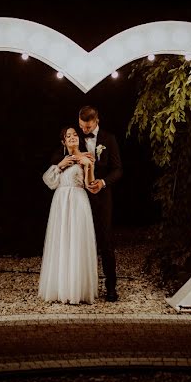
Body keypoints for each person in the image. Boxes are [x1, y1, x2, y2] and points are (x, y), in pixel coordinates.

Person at [38, 127, 99, 304]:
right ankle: (60, 287)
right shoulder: (61, 159)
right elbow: (49, 181)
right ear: (63, 142)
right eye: (68, 136)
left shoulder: (87, 157)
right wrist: (60, 166)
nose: (72, 137)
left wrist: (88, 167)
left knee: (77, 241)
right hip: (61, 202)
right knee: (61, 241)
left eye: (74, 135)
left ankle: (77, 289)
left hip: (79, 200)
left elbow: (90, 184)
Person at [77, 105, 123, 301]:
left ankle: (111, 287)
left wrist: (103, 183)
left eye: (87, 127)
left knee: (106, 242)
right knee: (79, 241)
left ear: (96, 121)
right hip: (79, 196)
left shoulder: (109, 139)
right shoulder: (75, 138)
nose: (84, 130)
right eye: (81, 126)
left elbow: (118, 169)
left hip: (102, 197)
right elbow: (58, 157)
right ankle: (80, 287)